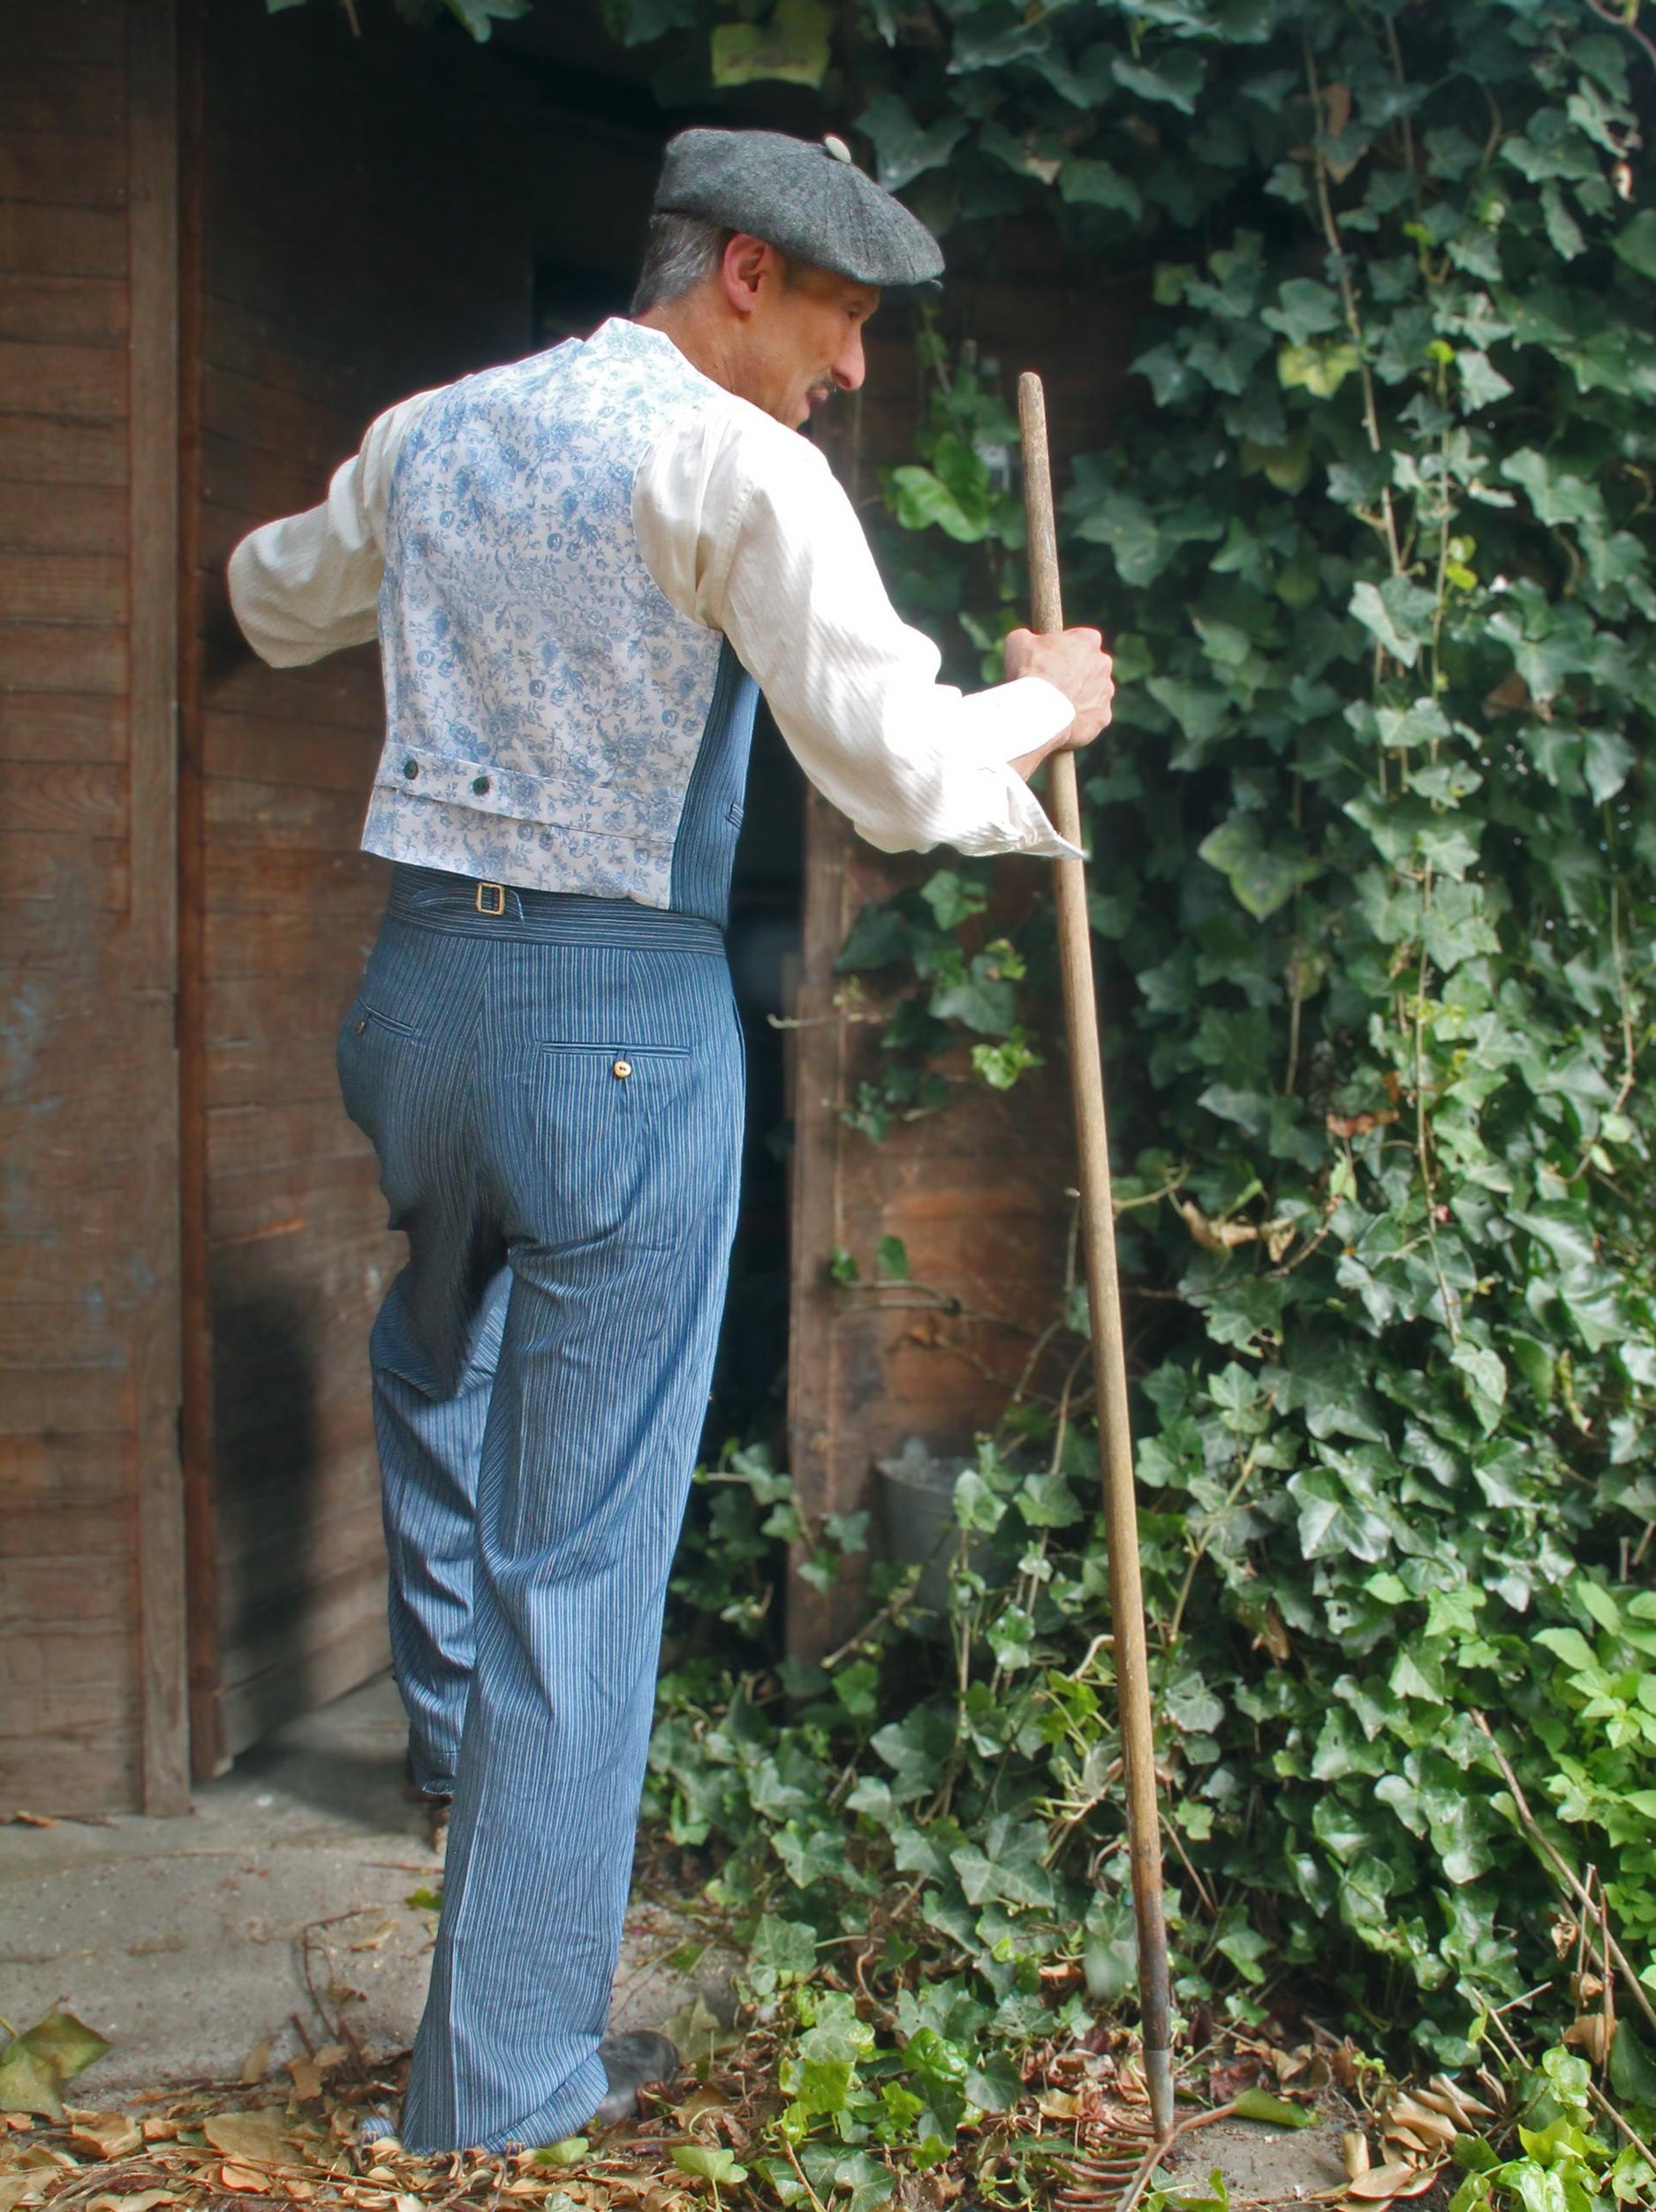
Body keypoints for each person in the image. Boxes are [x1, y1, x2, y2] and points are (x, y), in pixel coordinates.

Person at [227, 124, 1114, 2155]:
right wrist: (1045, 703)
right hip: (614, 1033)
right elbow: (893, 764)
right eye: (840, 316)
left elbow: (280, 597)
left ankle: (446, 1735)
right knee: (587, 1556)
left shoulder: (441, 428)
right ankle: (503, 2076)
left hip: (414, 1005)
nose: (854, 367)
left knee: (430, 1345)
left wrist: (297, 608)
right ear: (735, 272)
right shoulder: (733, 469)